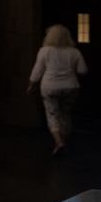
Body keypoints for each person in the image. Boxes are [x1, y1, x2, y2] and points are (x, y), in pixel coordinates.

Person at [27, 23, 88, 155]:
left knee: (52, 113)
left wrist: (31, 84)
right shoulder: (74, 52)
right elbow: (82, 70)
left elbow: (37, 71)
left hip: (49, 87)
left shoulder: (45, 51)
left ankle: (59, 142)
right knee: (65, 113)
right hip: (71, 87)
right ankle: (64, 140)